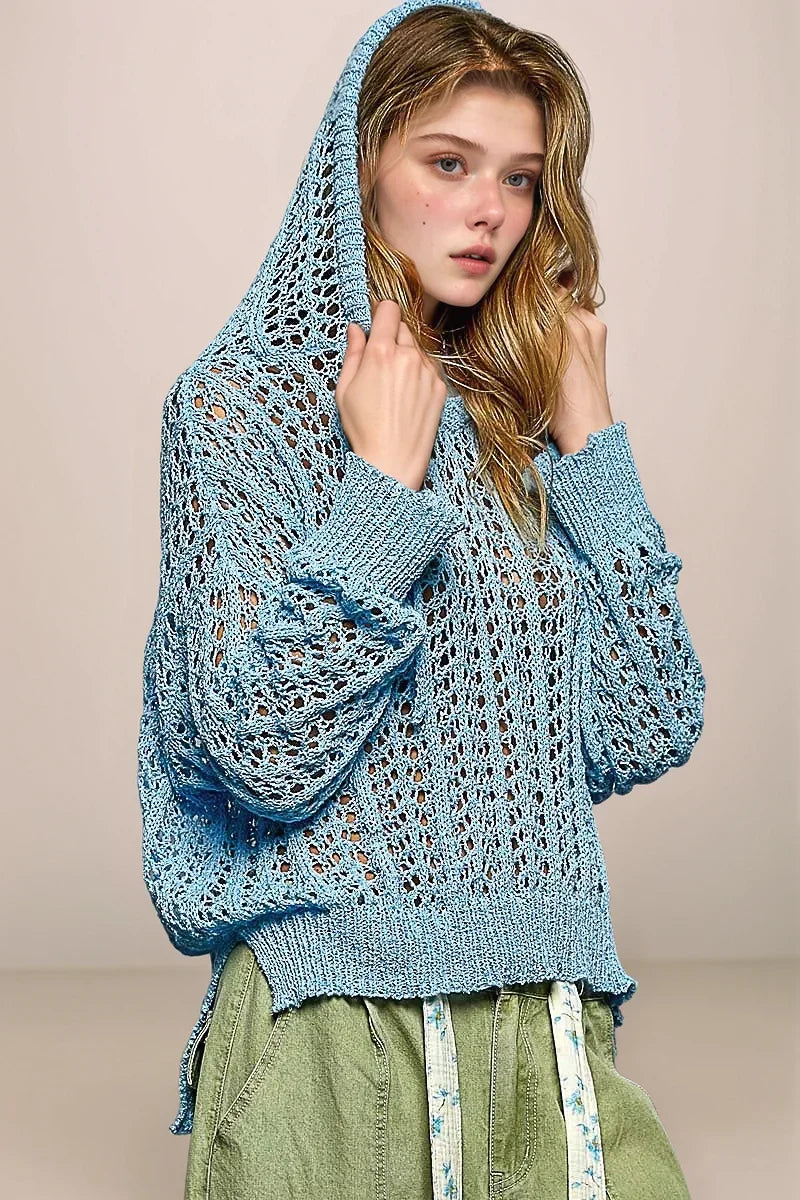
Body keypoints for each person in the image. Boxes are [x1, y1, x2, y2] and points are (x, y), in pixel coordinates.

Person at [136, 1, 706, 1197]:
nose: (488, 210)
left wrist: (592, 446)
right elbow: (260, 756)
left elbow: (645, 724)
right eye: (447, 163)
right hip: (333, 1030)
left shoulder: (510, 409)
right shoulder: (238, 405)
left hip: (544, 1016)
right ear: (357, 168)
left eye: (518, 177)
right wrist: (382, 491)